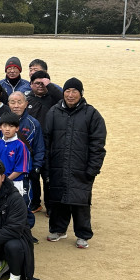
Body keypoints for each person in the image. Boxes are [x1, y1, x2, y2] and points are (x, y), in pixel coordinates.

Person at [44, 78, 107, 249]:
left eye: (74, 91)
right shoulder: (53, 112)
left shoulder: (91, 114)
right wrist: (47, 167)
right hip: (57, 165)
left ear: (81, 93)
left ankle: (83, 235)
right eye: (67, 91)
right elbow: (46, 141)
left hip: (81, 168)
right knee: (58, 200)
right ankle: (58, 230)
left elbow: (98, 145)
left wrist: (93, 169)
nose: (70, 95)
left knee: (81, 203)